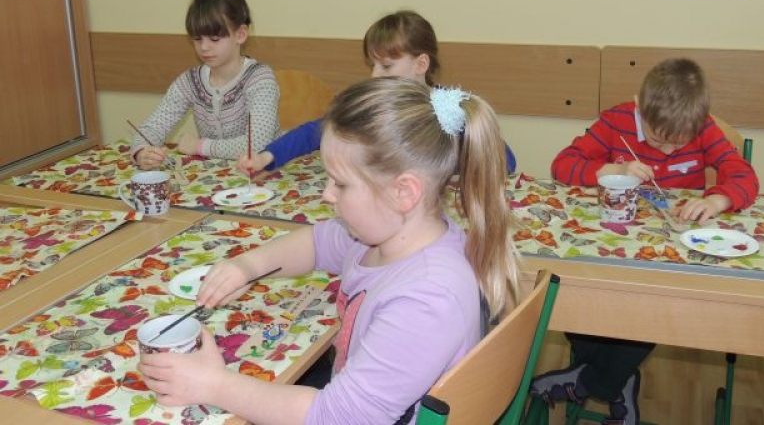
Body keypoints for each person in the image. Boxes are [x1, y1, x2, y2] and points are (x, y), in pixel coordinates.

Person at [139, 77, 520, 425]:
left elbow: (336, 417)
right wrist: (248, 266)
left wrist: (214, 385)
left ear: (403, 193)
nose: (327, 195)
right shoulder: (385, 237)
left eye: (340, 184)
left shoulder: (426, 297)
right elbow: (316, 243)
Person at [535, 58, 759, 425]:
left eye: (678, 145)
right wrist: (612, 170)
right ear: (640, 107)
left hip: (669, 257)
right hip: (610, 246)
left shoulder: (703, 128)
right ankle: (618, 378)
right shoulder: (616, 121)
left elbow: (744, 177)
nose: (667, 152)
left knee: (651, 306)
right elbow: (562, 165)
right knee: (576, 290)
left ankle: (593, 380)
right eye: (657, 140)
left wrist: (718, 200)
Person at [239, 10, 517, 174]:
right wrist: (267, 157)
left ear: (421, 64)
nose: (374, 75)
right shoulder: (373, 103)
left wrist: (459, 161)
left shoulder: (452, 109)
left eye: (386, 66)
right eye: (372, 65)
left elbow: (506, 161)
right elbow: (318, 131)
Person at [131, 0, 279, 169]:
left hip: (262, 176)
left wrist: (199, 146)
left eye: (215, 39)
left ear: (240, 34)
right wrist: (142, 152)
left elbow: (256, 146)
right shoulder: (190, 82)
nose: (204, 47)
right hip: (212, 178)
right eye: (197, 38)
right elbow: (150, 129)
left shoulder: (260, 79)